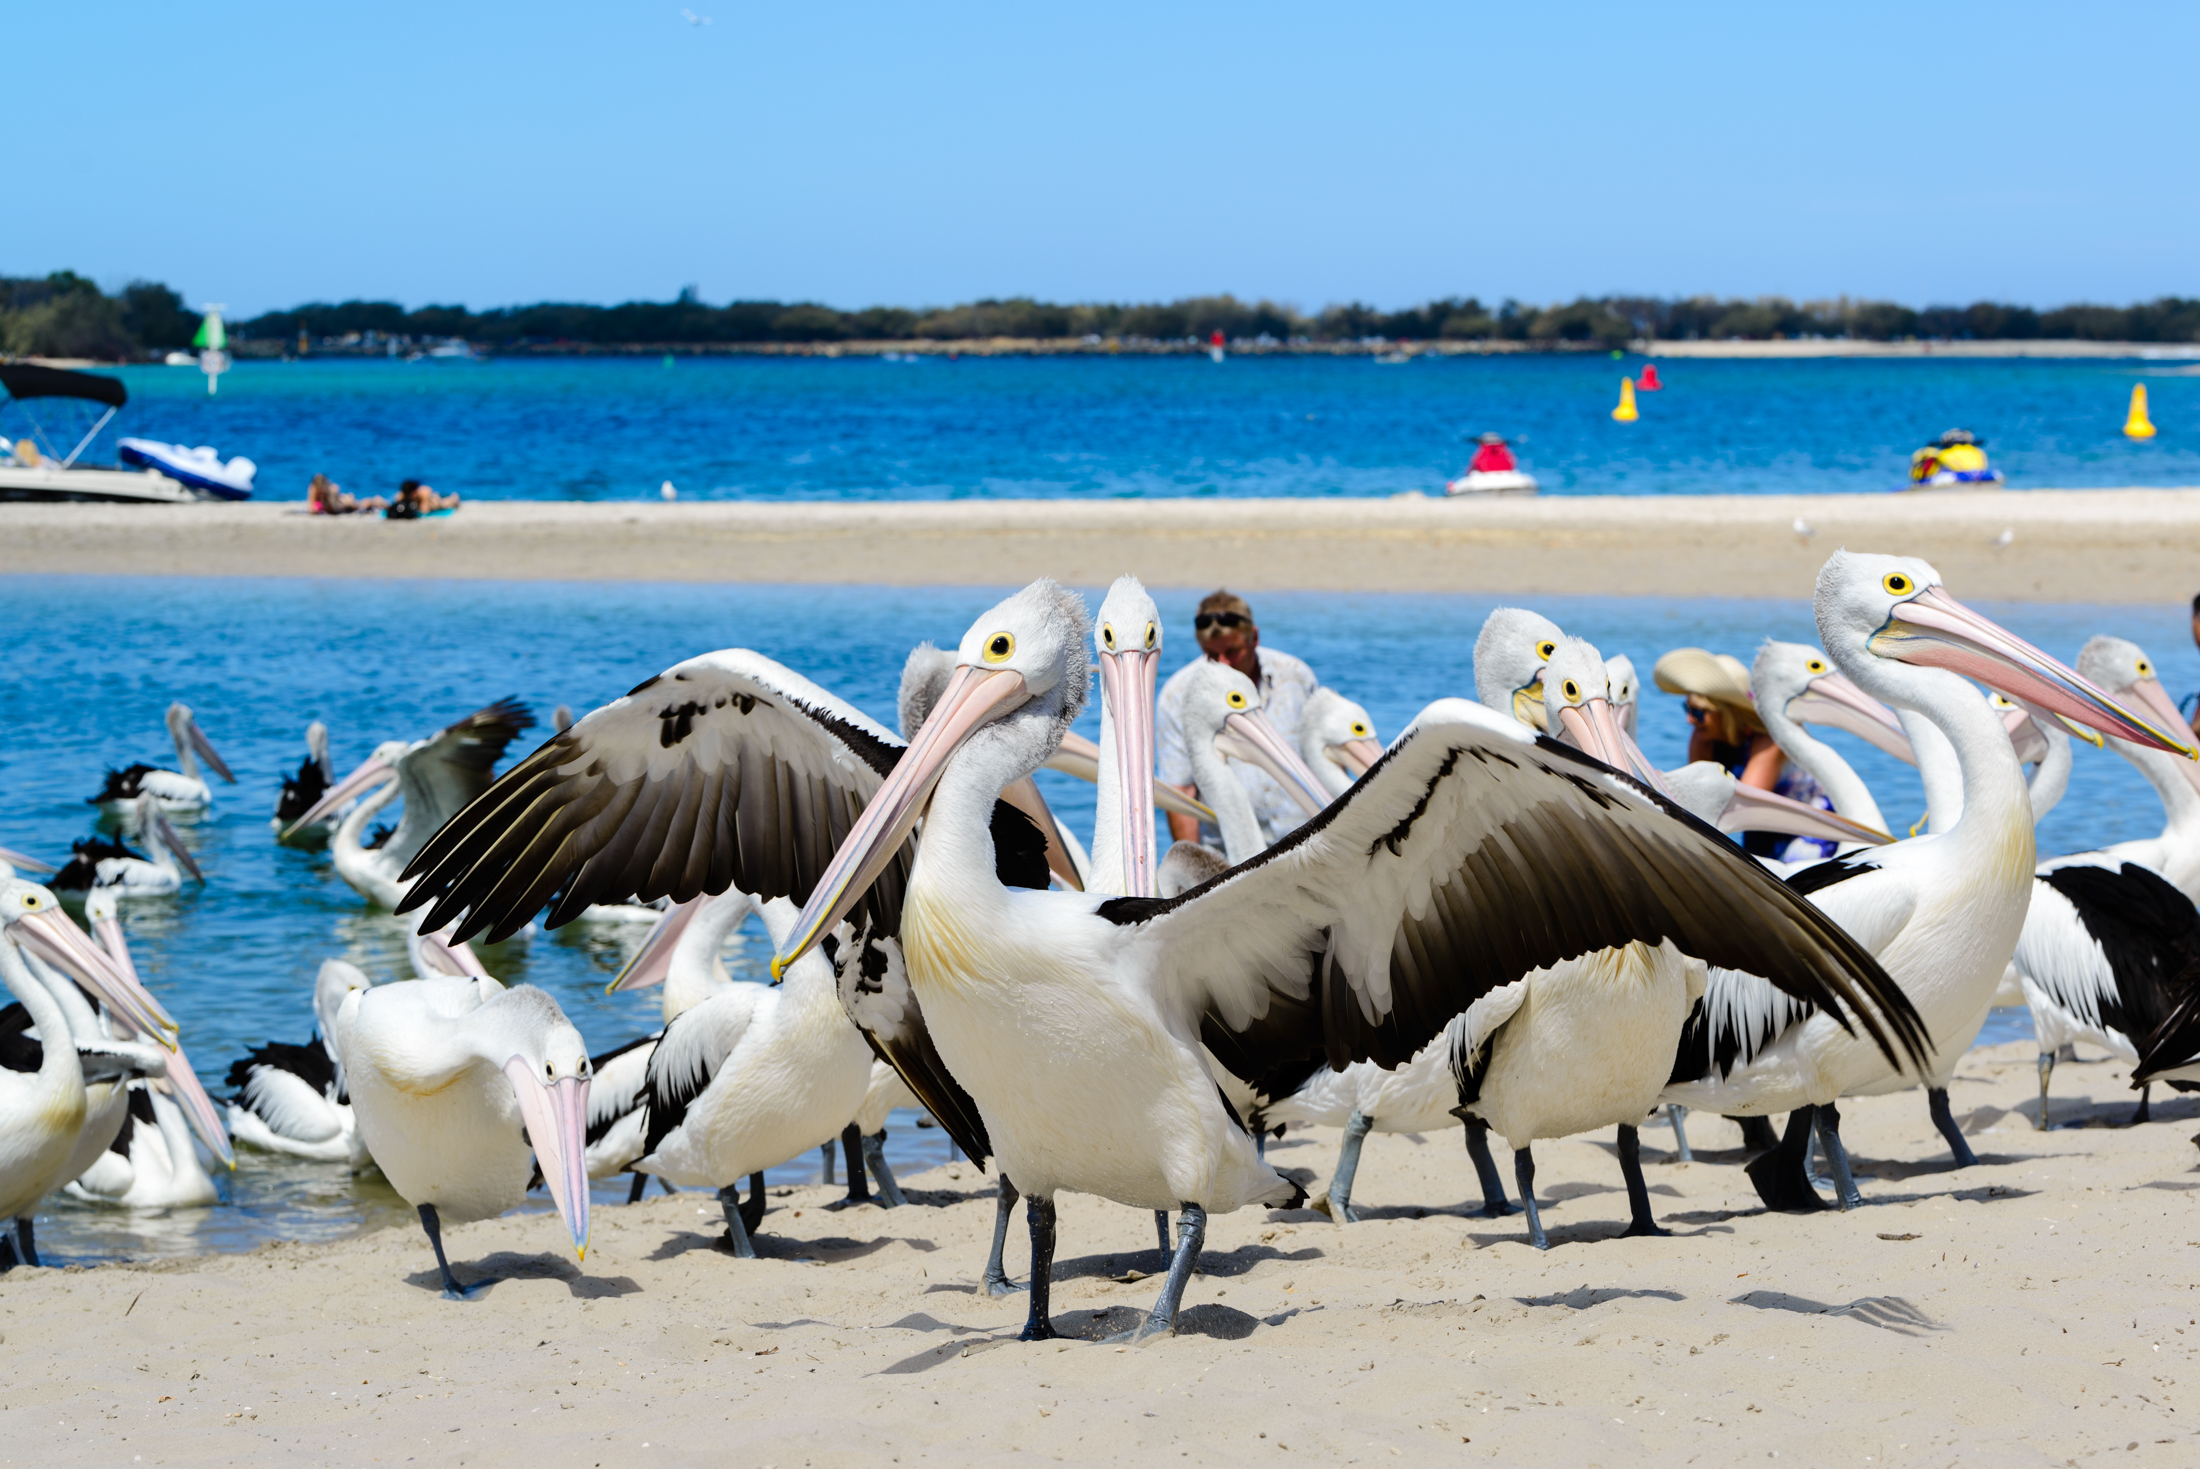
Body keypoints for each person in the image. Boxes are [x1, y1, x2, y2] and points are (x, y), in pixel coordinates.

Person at [1156, 591, 1320, 846]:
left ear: (1254, 637)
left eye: (1232, 651)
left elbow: (1322, 758)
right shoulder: (1178, 695)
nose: (1222, 665)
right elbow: (1181, 790)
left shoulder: (1295, 676)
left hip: (1308, 844)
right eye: (1211, 655)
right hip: (1231, 854)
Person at [307, 473, 386, 514]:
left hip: (345, 503)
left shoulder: (332, 489)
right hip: (342, 502)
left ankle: (378, 501)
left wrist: (324, 506)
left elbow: (335, 509)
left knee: (362, 505)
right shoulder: (313, 488)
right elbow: (311, 508)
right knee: (361, 504)